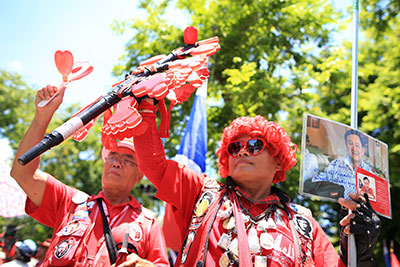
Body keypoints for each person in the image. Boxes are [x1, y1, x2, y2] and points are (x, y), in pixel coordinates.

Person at [133, 101, 381, 266]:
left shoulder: (304, 222)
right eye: (234, 147)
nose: (241, 152)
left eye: (253, 145)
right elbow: (153, 165)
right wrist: (145, 107)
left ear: (278, 162)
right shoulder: (199, 192)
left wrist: (357, 249)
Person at [10, 85, 169, 267]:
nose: (116, 162)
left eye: (128, 159)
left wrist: (144, 265)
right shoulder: (70, 202)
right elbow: (22, 172)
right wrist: (42, 116)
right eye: (112, 156)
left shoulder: (148, 222)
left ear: (139, 176)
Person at [312, 129, 375, 198]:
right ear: (346, 147)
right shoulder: (336, 164)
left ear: (363, 150)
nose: (354, 149)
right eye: (350, 144)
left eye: (357, 145)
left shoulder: (368, 171)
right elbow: (318, 181)